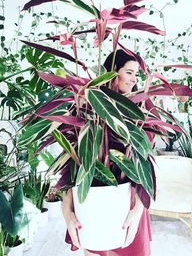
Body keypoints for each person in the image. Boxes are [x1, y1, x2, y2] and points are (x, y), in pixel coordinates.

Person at [62, 49, 152, 256]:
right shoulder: (86, 106)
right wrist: (67, 211)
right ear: (111, 72)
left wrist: (137, 211)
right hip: (92, 204)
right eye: (129, 72)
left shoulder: (140, 108)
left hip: (128, 204)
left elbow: (146, 165)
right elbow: (70, 165)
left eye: (136, 74)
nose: (133, 79)